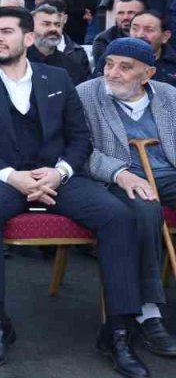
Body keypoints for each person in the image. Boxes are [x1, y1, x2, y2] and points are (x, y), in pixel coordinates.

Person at [0, 7, 149, 375]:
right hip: (2, 179)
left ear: (27, 38)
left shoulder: (56, 77)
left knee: (118, 215)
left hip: (58, 176)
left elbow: (80, 139)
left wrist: (59, 173)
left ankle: (119, 330)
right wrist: (15, 177)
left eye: (6, 31)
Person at [78, 37, 176, 360]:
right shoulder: (85, 95)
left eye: (125, 67)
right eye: (109, 64)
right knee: (145, 211)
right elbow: (80, 151)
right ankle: (149, 312)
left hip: (168, 172)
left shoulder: (169, 96)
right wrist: (120, 173)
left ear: (147, 74)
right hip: (120, 177)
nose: (113, 73)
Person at [26, 4, 91, 86]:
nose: (54, 29)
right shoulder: (18, 61)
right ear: (30, 28)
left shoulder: (71, 65)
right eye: (46, 24)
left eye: (57, 25)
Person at [93, 0, 145, 66]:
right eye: (120, 13)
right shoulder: (104, 39)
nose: (125, 17)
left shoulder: (151, 37)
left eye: (131, 12)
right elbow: (104, 71)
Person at [127, 11, 176, 86]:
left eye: (149, 30)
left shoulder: (173, 62)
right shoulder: (114, 57)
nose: (140, 35)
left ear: (165, 36)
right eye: (134, 28)